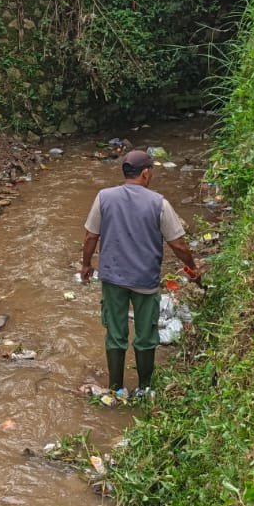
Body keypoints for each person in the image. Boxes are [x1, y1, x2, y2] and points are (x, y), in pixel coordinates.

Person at [80, 149, 201, 399]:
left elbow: (91, 236)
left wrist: (86, 265)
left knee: (115, 333)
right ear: (146, 173)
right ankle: (145, 388)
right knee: (146, 336)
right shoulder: (159, 203)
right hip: (145, 280)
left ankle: (116, 388)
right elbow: (178, 245)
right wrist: (192, 269)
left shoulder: (104, 198)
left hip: (113, 278)